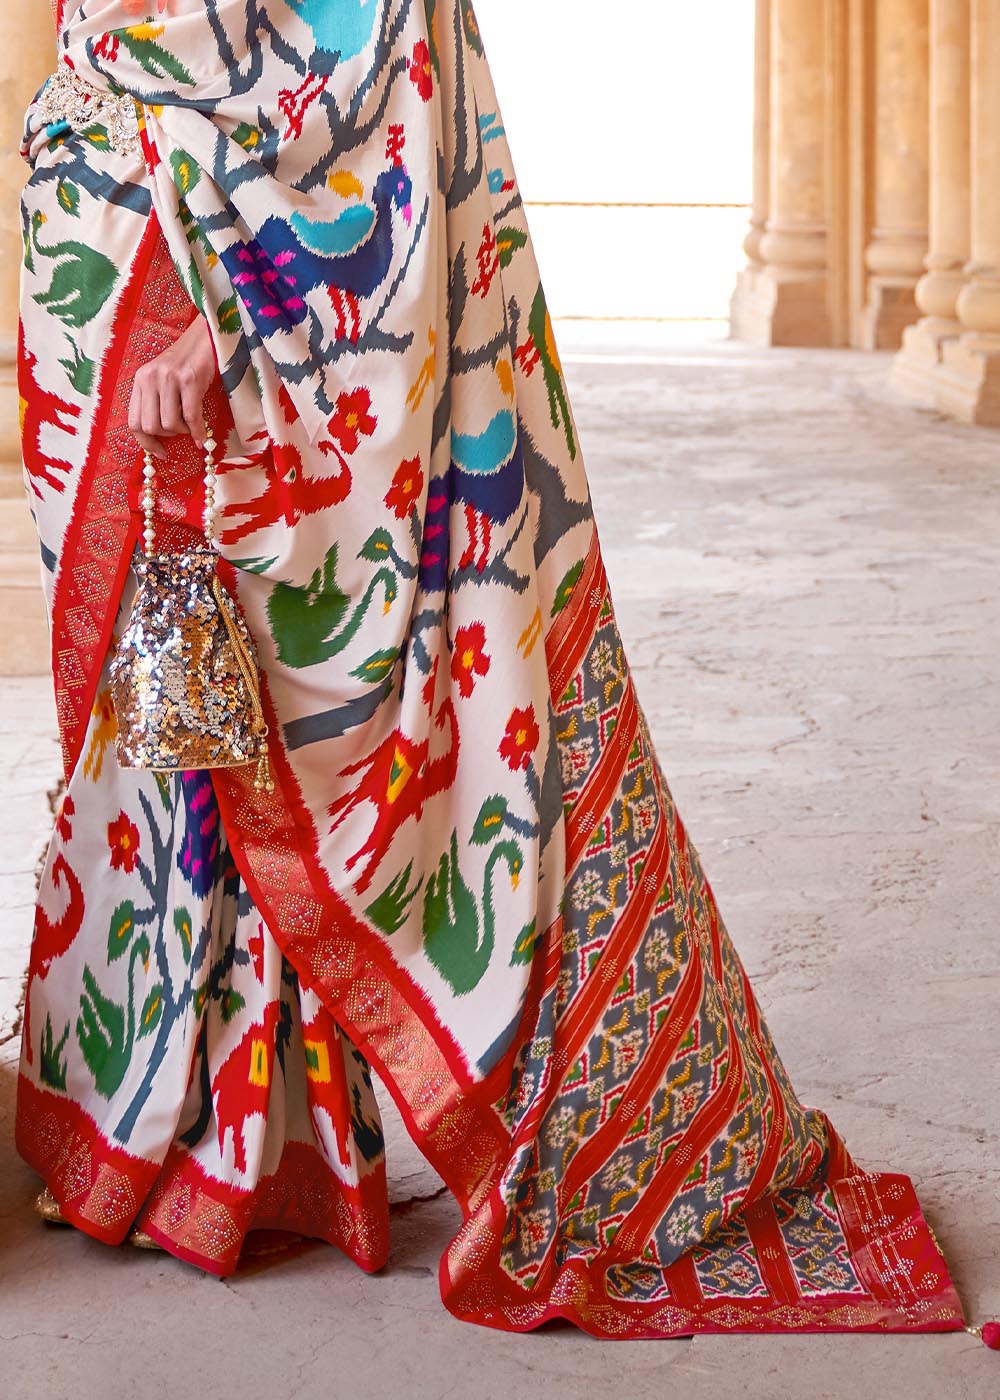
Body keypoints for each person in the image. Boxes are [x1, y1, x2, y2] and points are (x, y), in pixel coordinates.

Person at [14, 0, 969, 1341]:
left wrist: (222, 321)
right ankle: (147, 1132)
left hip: (210, 334)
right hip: (85, 323)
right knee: (144, 722)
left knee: (242, 718)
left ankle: (243, 1159)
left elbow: (384, 94)